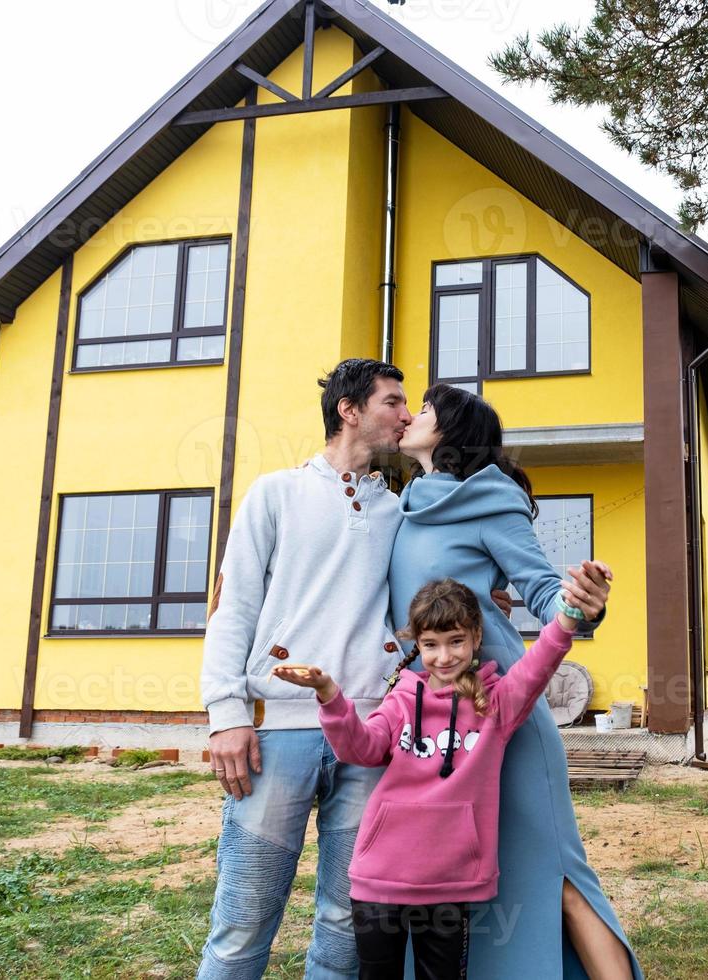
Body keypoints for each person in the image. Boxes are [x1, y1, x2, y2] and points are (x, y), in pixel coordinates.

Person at [390, 384, 640, 979]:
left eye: (423, 409)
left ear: (450, 429)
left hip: (503, 710)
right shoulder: (404, 504)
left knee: (551, 870)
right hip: (433, 718)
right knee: (457, 873)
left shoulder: (491, 498)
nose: (410, 415)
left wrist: (583, 604)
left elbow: (541, 586)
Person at [268, 572, 610, 980]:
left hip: (450, 883)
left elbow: (540, 663)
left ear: (475, 637)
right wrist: (329, 695)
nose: (443, 657)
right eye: (430, 645)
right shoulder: (401, 699)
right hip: (380, 878)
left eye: (455, 642)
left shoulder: (496, 704)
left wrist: (569, 615)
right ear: (418, 644)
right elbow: (359, 749)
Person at [196, 358, 413, 980]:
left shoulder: (398, 512)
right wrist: (226, 716)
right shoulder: (275, 494)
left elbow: (406, 616)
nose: (405, 416)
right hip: (275, 735)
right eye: (393, 403)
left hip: (367, 737)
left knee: (347, 921)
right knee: (244, 918)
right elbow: (231, 608)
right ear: (349, 409)